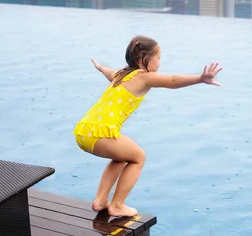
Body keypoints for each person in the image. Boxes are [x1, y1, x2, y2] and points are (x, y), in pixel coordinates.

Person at [73, 35, 222, 217]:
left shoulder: (121, 75)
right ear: (145, 57)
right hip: (100, 133)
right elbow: (173, 80)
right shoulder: (144, 77)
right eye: (158, 58)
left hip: (83, 131)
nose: (159, 63)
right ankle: (117, 205)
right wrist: (200, 78)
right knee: (138, 157)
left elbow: (109, 72)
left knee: (121, 157)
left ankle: (101, 200)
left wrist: (100, 67)